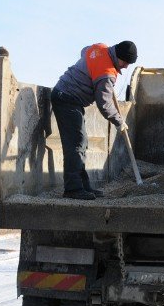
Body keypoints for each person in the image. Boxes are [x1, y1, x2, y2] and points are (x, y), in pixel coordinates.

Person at [51, 41, 137, 200]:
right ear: (119, 56)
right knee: (76, 143)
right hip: (67, 99)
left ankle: (83, 186)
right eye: (125, 62)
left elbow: (84, 51)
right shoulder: (107, 73)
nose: (125, 67)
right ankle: (72, 189)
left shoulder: (100, 48)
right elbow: (104, 104)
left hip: (68, 97)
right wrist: (119, 122)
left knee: (80, 143)